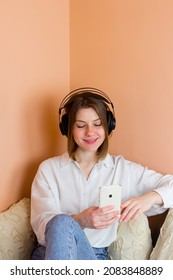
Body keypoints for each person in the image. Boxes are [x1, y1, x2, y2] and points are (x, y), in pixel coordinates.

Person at [31, 87, 173, 260]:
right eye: (81, 125)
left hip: (91, 256)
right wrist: (81, 220)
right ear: (67, 128)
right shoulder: (48, 169)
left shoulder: (123, 170)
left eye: (97, 124)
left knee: (62, 222)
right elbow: (42, 226)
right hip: (47, 255)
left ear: (108, 126)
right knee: (60, 222)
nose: (90, 132)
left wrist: (150, 198)